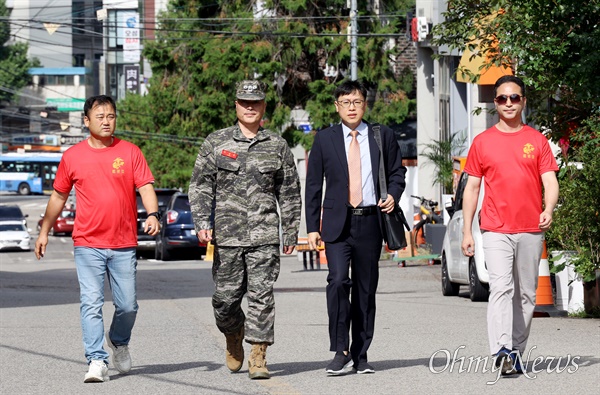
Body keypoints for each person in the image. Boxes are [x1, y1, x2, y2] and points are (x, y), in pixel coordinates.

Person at [34, 95, 161, 383]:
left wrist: (153, 214)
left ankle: (118, 340)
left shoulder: (129, 152)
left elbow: (145, 186)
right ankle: (96, 360)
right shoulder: (73, 156)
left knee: (128, 305)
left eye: (111, 116)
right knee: (90, 302)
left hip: (123, 242)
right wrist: (44, 231)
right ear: (87, 120)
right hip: (87, 243)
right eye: (100, 116)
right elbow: (58, 196)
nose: (106, 121)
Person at [188, 80, 302, 380]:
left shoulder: (277, 146)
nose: (249, 107)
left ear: (264, 106)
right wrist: (202, 222)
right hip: (227, 238)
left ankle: (258, 355)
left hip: (264, 237)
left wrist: (290, 232)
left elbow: (289, 192)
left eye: (255, 102)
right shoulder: (217, 142)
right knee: (224, 301)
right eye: (244, 102)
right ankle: (233, 333)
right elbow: (200, 186)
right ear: (236, 105)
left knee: (262, 297)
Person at [305, 79, 406, 375]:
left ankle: (361, 354)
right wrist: (313, 227)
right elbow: (313, 186)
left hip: (370, 221)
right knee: (337, 282)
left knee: (365, 289)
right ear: (337, 106)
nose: (352, 107)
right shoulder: (325, 139)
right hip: (337, 224)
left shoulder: (381, 136)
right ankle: (340, 350)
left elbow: (397, 172)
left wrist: (392, 195)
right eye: (346, 102)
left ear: (365, 104)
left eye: (357, 102)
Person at [461, 75, 559, 375]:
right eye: (502, 98)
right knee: (501, 287)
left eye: (514, 98)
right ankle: (502, 348)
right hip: (495, 227)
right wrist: (467, 230)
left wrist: (549, 208)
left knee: (527, 294)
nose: (508, 103)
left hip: (530, 227)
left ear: (523, 101)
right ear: (495, 102)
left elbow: (550, 181)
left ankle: (516, 350)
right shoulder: (482, 142)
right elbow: (472, 188)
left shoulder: (537, 140)